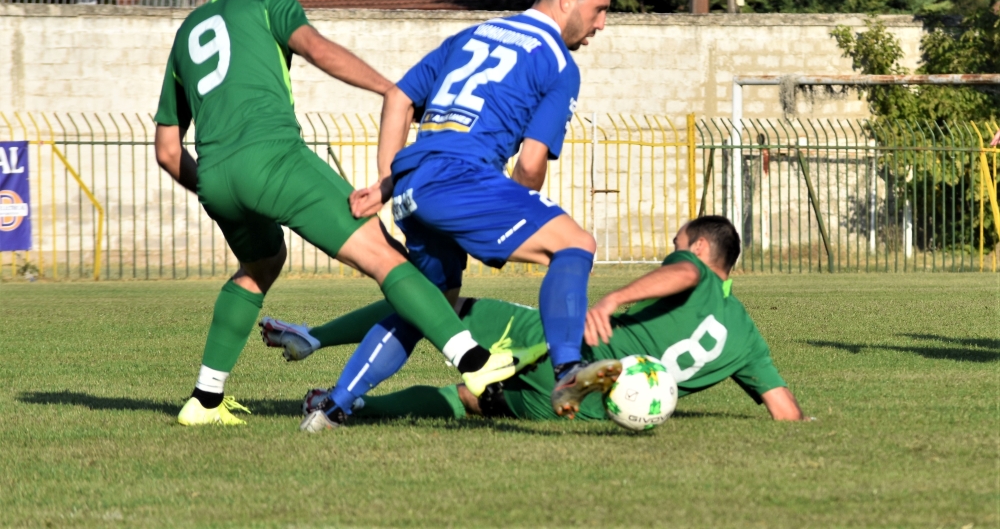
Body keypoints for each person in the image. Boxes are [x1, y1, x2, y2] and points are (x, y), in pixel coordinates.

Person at [154, 0, 513, 427]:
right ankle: (475, 362)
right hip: (274, 157)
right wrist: (394, 91)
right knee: (384, 255)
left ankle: (205, 401)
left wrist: (216, 184)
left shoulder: (187, 31)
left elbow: (169, 152)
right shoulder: (264, 2)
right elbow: (318, 49)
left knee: (262, 262)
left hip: (215, 174)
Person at [334, 0, 621, 429]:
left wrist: (388, 181)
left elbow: (399, 97)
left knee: (429, 304)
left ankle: (335, 404)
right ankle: (569, 369)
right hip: (463, 179)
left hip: (413, 186)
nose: (601, 25)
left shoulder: (473, 34)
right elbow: (530, 165)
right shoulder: (557, 62)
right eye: (600, 10)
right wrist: (508, 210)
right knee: (575, 243)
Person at [263, 216, 805, 426]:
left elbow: (684, 277)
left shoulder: (697, 273)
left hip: (568, 358)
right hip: (584, 413)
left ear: (702, 248)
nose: (672, 257)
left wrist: (614, 300)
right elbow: (786, 412)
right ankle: (352, 409)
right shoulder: (749, 337)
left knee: (441, 304)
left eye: (677, 247)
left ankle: (316, 338)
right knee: (474, 397)